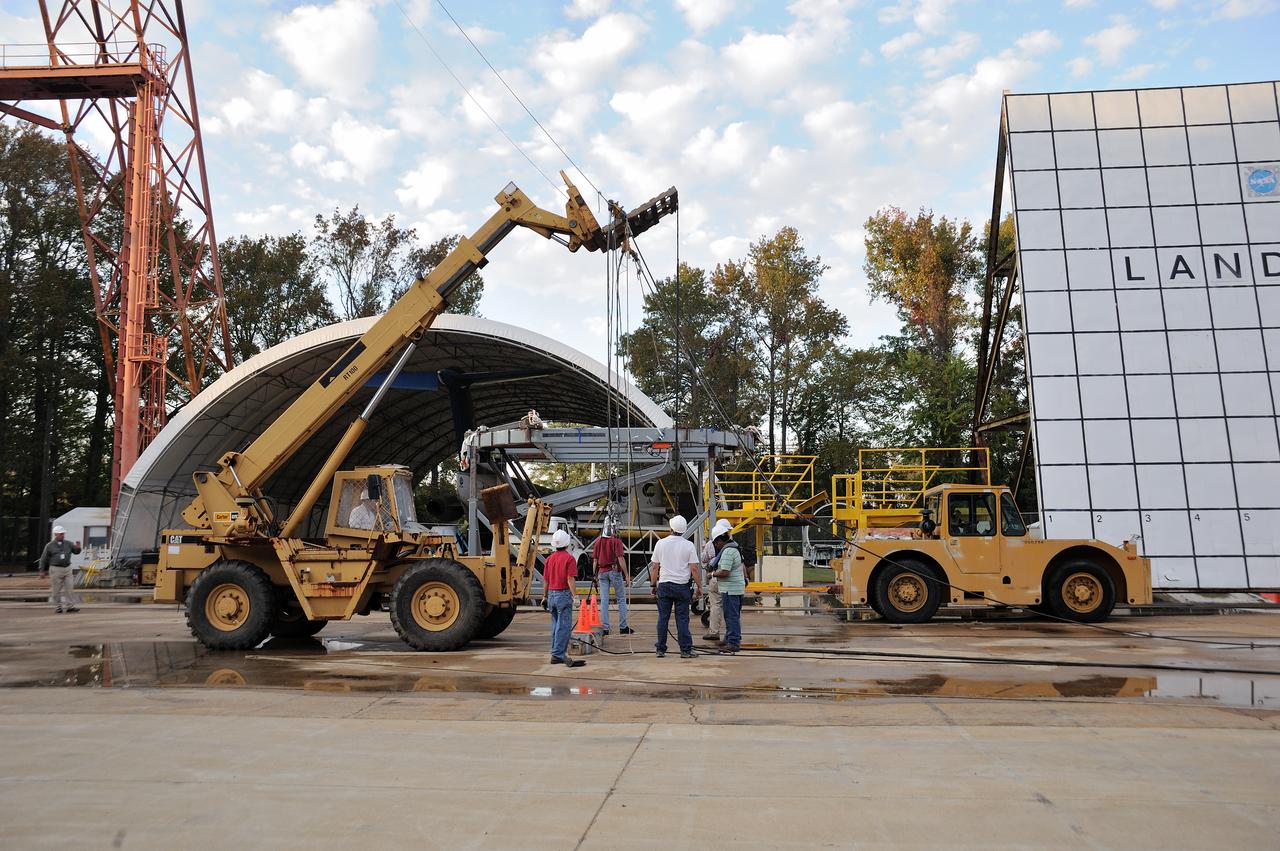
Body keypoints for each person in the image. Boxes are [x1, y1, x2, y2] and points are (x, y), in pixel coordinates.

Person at [649, 515, 702, 658]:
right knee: (682, 619)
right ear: (683, 530)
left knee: (663, 618)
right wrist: (699, 587)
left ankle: (660, 648)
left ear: (671, 528)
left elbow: (655, 567)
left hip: (665, 585)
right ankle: (685, 650)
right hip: (682, 587)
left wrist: (653, 585)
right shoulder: (688, 545)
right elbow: (694, 569)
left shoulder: (661, 544)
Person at [544, 529, 585, 667]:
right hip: (563, 595)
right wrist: (576, 596)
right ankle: (557, 654)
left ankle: (555, 652)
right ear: (567, 544)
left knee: (556, 625)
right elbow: (570, 579)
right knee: (564, 626)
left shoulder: (549, 559)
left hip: (551, 594)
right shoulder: (569, 559)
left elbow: (546, 580)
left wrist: (544, 596)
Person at [592, 521, 633, 635]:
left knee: (604, 600)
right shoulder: (616, 541)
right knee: (621, 599)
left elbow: (595, 561)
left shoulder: (598, 541)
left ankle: (605, 628)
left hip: (602, 572)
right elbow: (620, 558)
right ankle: (623, 627)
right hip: (614, 571)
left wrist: (594, 576)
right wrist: (627, 575)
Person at [712, 529, 746, 653]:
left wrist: (713, 574)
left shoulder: (727, 551)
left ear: (720, 540)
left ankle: (733, 642)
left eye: (716, 543)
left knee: (731, 616)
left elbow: (725, 572)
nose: (716, 546)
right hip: (735, 588)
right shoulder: (734, 547)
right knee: (732, 616)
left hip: (730, 589)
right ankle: (729, 638)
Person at [39, 525, 81, 614]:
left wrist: (78, 548)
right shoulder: (49, 546)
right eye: (61, 534)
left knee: (69, 588)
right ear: (56, 534)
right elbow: (43, 558)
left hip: (67, 568)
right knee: (56, 589)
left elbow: (76, 552)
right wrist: (42, 570)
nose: (62, 535)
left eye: (63, 534)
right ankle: (58, 606)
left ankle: (70, 606)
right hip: (55, 569)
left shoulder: (68, 543)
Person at [701, 519, 731, 641]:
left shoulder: (710, 544)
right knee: (730, 607)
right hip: (729, 578)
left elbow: (703, 559)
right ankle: (731, 632)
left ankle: (714, 631)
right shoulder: (732, 544)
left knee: (715, 605)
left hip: (715, 577)